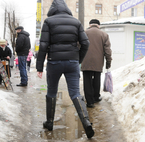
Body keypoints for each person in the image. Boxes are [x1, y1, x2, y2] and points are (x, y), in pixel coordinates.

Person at [36, 0, 94, 139]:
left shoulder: (48, 21)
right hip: (72, 62)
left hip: (54, 62)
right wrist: (77, 59)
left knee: (51, 91)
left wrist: (39, 67)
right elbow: (85, 42)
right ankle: (86, 122)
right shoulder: (76, 22)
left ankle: (49, 123)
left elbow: (43, 45)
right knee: (75, 93)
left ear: (53, 9)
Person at [81, 19, 112, 108]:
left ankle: (89, 101)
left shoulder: (84, 33)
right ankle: (96, 97)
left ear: (90, 25)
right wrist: (108, 62)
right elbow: (107, 50)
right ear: (99, 25)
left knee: (87, 81)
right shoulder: (104, 35)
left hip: (86, 61)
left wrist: (79, 59)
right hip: (98, 62)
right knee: (96, 79)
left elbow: (78, 46)